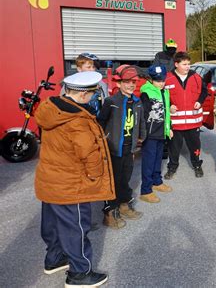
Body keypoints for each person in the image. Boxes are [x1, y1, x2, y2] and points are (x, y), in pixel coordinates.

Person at [35, 71, 113, 287]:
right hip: (71, 184)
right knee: (75, 227)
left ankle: (54, 260)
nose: (93, 97)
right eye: (92, 93)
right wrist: (96, 175)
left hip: (50, 180)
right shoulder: (77, 119)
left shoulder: (53, 108)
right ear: (82, 95)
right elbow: (89, 152)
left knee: (52, 223)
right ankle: (80, 274)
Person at [98, 65, 146, 228]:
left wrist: (141, 136)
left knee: (125, 177)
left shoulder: (138, 101)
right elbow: (101, 123)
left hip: (129, 147)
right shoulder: (111, 102)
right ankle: (110, 212)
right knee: (113, 180)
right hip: (113, 148)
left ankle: (124, 204)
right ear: (118, 84)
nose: (131, 85)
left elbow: (141, 122)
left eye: (133, 82)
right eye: (126, 82)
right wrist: (103, 141)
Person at [164, 52, 207, 179]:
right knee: (174, 148)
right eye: (184, 64)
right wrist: (170, 105)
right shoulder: (167, 78)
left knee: (195, 146)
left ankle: (197, 165)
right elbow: (163, 96)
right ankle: (172, 167)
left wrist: (199, 101)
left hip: (193, 121)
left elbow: (204, 92)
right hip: (176, 123)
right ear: (176, 64)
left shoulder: (196, 77)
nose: (188, 67)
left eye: (189, 64)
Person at [139, 64, 173, 203]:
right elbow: (142, 115)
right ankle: (146, 190)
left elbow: (167, 113)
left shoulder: (165, 91)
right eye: (158, 80)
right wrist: (142, 134)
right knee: (149, 161)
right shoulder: (146, 92)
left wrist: (169, 128)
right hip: (150, 133)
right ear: (151, 79)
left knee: (158, 158)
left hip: (161, 132)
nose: (161, 83)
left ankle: (157, 182)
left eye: (163, 80)